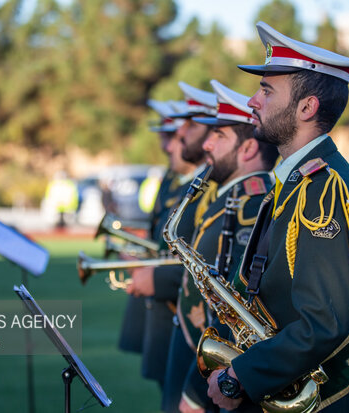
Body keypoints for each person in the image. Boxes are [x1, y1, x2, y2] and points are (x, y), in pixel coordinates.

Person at [204, 21, 349, 411]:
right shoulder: (297, 180)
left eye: (266, 90)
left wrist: (240, 376)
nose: (253, 100)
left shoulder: (326, 189)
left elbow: (322, 322)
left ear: (307, 107)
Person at [162, 80, 278, 413]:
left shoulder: (250, 205)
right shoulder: (228, 199)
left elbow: (237, 308)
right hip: (202, 352)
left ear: (248, 149)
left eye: (220, 135)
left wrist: (197, 391)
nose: (207, 144)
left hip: (221, 369)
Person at [127, 83, 218, 389]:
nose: (171, 144)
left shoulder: (211, 188)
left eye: (187, 129)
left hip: (192, 324)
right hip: (173, 317)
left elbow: (212, 262)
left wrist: (156, 278)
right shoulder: (187, 181)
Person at [118, 99, 186, 355]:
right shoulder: (169, 177)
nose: (165, 146)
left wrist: (152, 270)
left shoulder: (193, 182)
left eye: (173, 135)